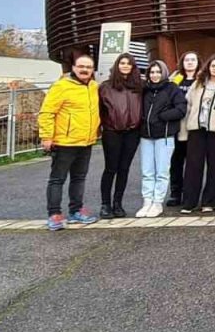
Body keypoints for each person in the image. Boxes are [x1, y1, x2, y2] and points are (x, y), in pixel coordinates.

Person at [40, 51, 102, 230]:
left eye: (88, 67)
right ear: (74, 68)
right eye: (81, 66)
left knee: (79, 178)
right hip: (65, 142)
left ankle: (76, 210)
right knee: (57, 179)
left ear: (93, 70)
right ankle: (54, 214)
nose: (85, 70)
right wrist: (46, 136)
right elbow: (47, 112)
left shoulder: (93, 87)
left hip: (86, 141)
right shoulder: (61, 86)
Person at [180, 55, 215, 213]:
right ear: (208, 67)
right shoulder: (198, 83)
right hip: (196, 129)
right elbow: (188, 105)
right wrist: (184, 131)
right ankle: (189, 202)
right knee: (193, 166)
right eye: (213, 65)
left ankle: (210, 201)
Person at [138, 60, 186, 218]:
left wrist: (162, 116)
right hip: (146, 135)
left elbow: (181, 109)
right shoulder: (144, 90)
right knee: (147, 171)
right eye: (152, 72)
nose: (155, 75)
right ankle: (147, 201)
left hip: (164, 135)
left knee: (162, 171)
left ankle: (157, 202)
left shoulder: (172, 89)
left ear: (164, 73)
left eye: (158, 72)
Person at [98, 52, 143, 219]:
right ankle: (105, 204)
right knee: (111, 168)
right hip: (112, 132)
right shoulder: (105, 87)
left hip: (132, 132)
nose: (125, 65)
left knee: (124, 169)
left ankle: (118, 203)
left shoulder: (139, 86)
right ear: (117, 65)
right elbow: (100, 110)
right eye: (122, 63)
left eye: (129, 63)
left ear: (133, 67)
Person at [166, 51, 199, 207]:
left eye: (193, 60)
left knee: (193, 163)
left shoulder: (202, 80)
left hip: (194, 126)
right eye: (187, 60)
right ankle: (175, 193)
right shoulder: (175, 79)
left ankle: (190, 193)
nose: (190, 62)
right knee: (176, 161)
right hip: (177, 126)